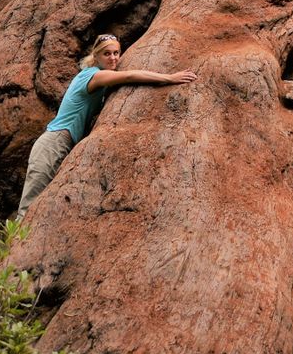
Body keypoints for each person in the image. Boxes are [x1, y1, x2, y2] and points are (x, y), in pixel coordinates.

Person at [16, 32, 197, 218]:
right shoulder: (92, 76)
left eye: (116, 53)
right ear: (96, 57)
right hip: (53, 143)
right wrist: (170, 78)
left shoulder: (98, 79)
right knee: (29, 208)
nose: (113, 58)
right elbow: (129, 77)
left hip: (64, 144)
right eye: (107, 54)